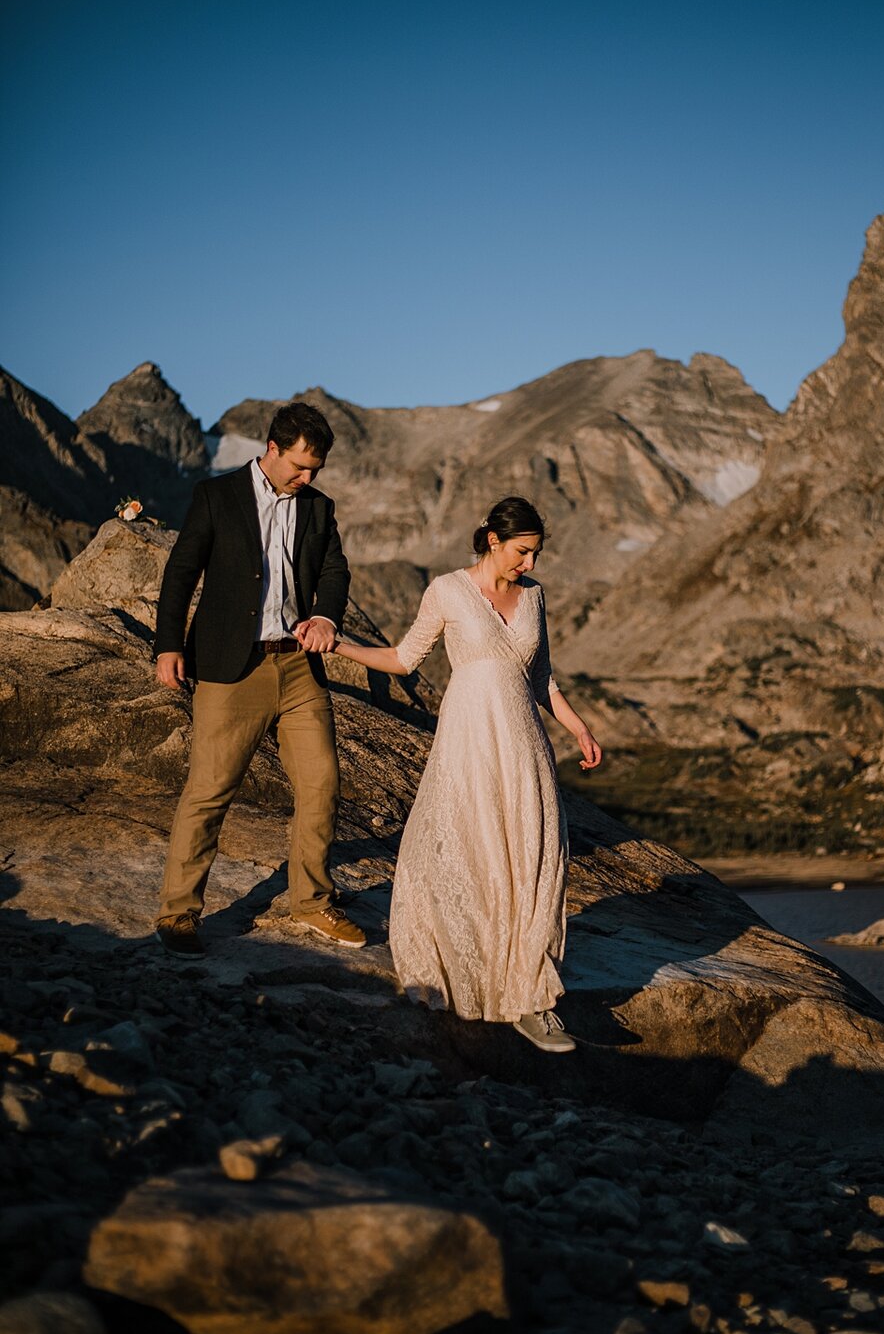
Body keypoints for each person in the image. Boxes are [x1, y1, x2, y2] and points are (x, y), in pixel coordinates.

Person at [333, 496, 601, 1051]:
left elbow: (542, 675)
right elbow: (407, 658)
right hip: (468, 739)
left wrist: (578, 729)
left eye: (536, 554)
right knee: (471, 850)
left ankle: (531, 997)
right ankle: (476, 979)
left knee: (534, 856)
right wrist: (342, 646)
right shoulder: (447, 591)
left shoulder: (535, 596)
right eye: (523, 552)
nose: (530, 563)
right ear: (493, 541)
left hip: (523, 740)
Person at [152, 401, 364, 957]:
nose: (307, 478)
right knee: (209, 791)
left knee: (322, 784)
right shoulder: (216, 497)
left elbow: (335, 570)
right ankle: (178, 914)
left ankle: (313, 902)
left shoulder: (318, 507)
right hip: (231, 666)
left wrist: (326, 616)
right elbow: (181, 571)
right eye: (299, 466)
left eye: (316, 469)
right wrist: (169, 644)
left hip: (297, 666)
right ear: (271, 449)